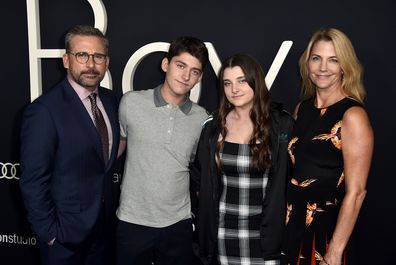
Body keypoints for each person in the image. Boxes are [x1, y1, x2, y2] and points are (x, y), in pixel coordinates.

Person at [19, 25, 120, 265]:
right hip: (64, 238)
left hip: (105, 232)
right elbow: (33, 181)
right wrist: (50, 234)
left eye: (98, 56)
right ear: (66, 60)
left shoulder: (112, 100)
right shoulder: (44, 111)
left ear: (107, 62)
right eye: (82, 55)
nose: (91, 64)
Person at [281, 28, 374, 265]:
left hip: (325, 235)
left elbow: (357, 192)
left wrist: (333, 253)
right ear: (307, 63)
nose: (323, 68)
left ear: (345, 66)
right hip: (293, 227)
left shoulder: (352, 115)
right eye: (316, 58)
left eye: (333, 60)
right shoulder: (302, 109)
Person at [191, 53, 294, 265]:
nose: (234, 89)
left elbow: (291, 179)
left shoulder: (281, 124)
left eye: (241, 81)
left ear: (255, 80)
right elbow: (200, 180)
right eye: (227, 83)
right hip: (222, 234)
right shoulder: (213, 127)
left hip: (265, 237)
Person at [116, 36, 209, 265]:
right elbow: (115, 148)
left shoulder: (201, 118)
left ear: (200, 77)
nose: (186, 76)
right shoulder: (131, 103)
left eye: (194, 71)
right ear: (166, 64)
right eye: (180, 65)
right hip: (132, 221)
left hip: (178, 223)